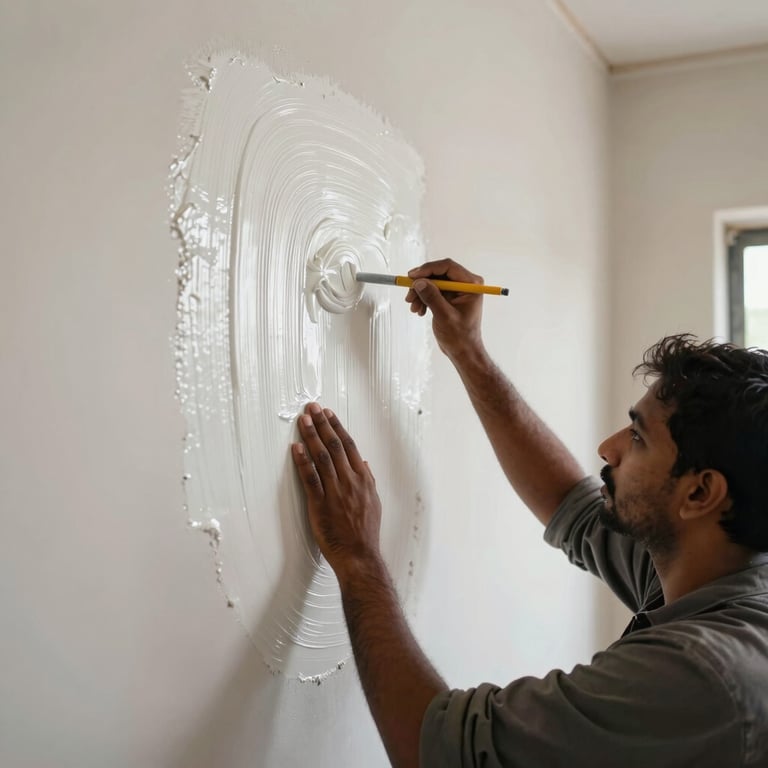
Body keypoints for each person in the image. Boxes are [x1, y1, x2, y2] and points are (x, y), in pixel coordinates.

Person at [290, 259, 768, 768]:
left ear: (699, 494)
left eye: (637, 437)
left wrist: (359, 559)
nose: (608, 449)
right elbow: (571, 501)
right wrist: (467, 351)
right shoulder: (720, 560)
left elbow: (435, 753)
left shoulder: (701, 677)